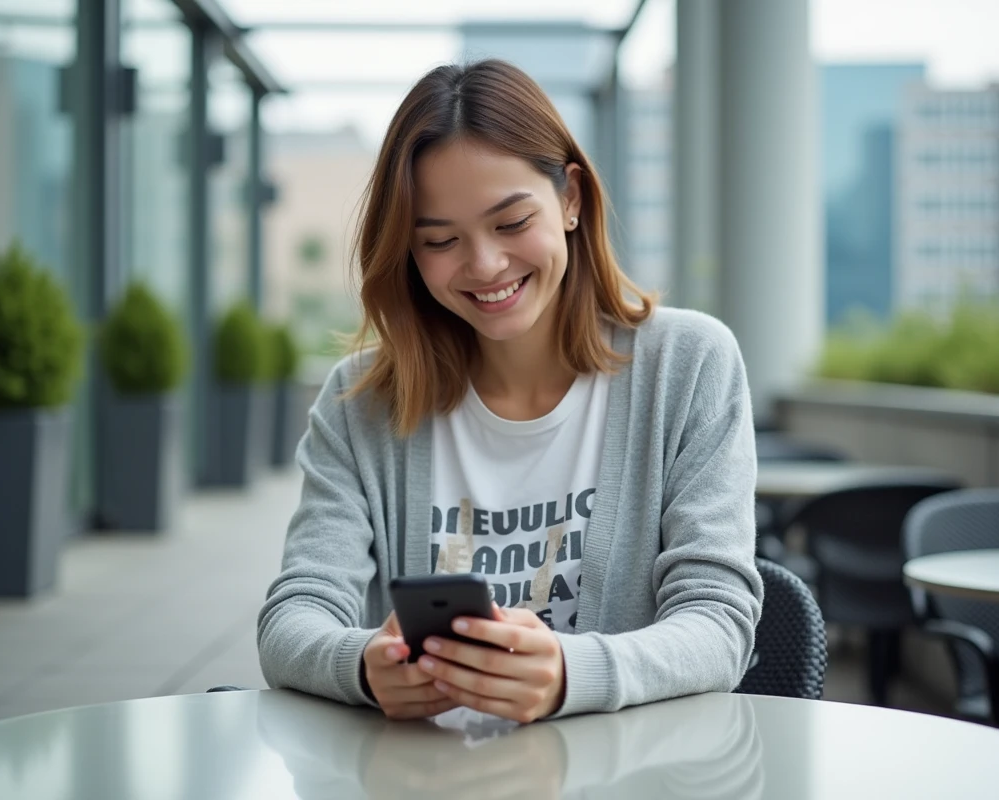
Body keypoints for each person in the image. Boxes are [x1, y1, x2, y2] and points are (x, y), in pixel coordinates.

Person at [258, 59, 762, 723]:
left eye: (511, 222)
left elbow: (719, 625)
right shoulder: (362, 401)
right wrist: (360, 665)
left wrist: (569, 675)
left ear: (572, 200)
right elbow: (293, 618)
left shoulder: (688, 364)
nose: (485, 265)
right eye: (441, 240)